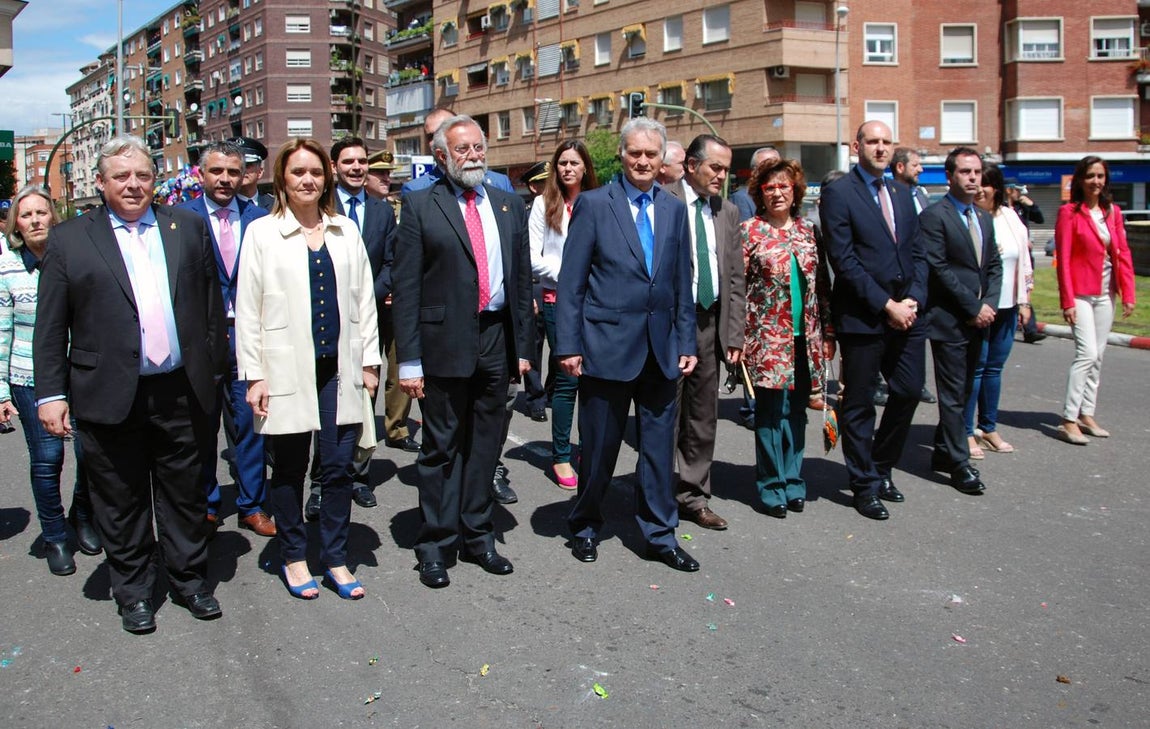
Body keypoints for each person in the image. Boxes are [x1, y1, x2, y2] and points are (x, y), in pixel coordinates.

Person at [34, 136, 227, 633]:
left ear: (154, 180)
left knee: (184, 495)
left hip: (181, 389)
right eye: (121, 176)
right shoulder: (71, 239)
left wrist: (216, 372)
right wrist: (51, 394)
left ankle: (188, 580)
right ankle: (135, 591)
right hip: (108, 391)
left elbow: (209, 309)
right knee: (121, 501)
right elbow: (51, 326)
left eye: (142, 175)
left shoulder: (186, 227)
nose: (133, 184)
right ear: (100, 183)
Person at [235, 138, 381, 601]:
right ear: (282, 179)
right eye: (298, 172)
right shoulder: (261, 232)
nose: (308, 180)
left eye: (315, 172)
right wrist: (254, 375)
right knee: (290, 470)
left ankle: (336, 557)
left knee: (338, 470)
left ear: (327, 177)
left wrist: (370, 363)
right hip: (285, 371)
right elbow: (249, 308)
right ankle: (294, 556)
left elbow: (365, 301)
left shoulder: (345, 231)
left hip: (340, 371)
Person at [393, 115, 534, 589]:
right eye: (463, 149)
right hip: (442, 343)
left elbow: (520, 283)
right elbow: (407, 289)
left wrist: (524, 348)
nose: (474, 155)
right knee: (440, 446)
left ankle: (478, 535)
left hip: (495, 339)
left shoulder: (508, 204)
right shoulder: (418, 206)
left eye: (478, 147)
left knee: (486, 444)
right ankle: (435, 543)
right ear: (441, 156)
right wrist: (409, 361)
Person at [556, 117, 700, 572]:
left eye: (651, 154)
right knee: (599, 450)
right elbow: (572, 283)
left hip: (661, 350)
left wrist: (686, 340)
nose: (642, 161)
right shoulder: (596, 205)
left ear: (662, 160)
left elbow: (682, 282)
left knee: (658, 451)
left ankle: (660, 534)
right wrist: (568, 346)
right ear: (621, 155)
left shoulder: (675, 209)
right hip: (606, 346)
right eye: (635, 153)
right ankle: (585, 524)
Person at [819, 121, 928, 521]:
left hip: (908, 313)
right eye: (873, 141)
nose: (881, 148)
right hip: (864, 316)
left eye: (887, 142)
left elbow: (918, 252)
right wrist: (887, 305)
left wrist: (914, 297)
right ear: (856, 146)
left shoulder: (903, 193)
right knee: (860, 403)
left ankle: (881, 467)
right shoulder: (838, 193)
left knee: (910, 390)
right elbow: (843, 259)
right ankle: (864, 484)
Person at [1, 186, 101, 576]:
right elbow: (2, 331)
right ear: (17, 225)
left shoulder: (73, 256)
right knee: (47, 459)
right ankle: (56, 535)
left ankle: (83, 516)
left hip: (79, 372)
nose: (35, 220)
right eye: (26, 216)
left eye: (42, 213)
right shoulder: (7, 266)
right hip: (30, 378)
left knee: (90, 455)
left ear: (53, 217)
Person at [178, 141, 273, 537]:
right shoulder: (179, 218)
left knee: (251, 424)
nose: (226, 179)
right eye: (217, 171)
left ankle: (252, 504)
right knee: (200, 426)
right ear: (202, 174)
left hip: (247, 336)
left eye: (233, 172)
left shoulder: (261, 218)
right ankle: (206, 503)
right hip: (200, 339)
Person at [301, 137, 398, 518]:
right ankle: (320, 481)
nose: (357, 168)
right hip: (326, 320)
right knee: (324, 404)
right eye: (349, 162)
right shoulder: (320, 207)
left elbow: (392, 262)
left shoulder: (382, 211)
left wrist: (369, 296)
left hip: (369, 317)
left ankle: (358, 475)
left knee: (363, 396)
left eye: (362, 162)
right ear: (334, 166)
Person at [742, 159, 833, 518]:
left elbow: (822, 287)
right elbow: (738, 288)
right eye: (769, 188)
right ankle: (770, 484)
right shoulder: (750, 231)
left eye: (784, 186)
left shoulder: (809, 231)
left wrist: (829, 332)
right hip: (766, 340)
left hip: (805, 337)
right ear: (760, 194)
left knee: (797, 413)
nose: (777, 193)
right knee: (769, 415)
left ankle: (794, 481)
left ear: (795, 191)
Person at [665, 134, 745, 529]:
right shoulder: (665, 202)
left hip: (710, 323)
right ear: (692, 165)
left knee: (702, 416)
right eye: (716, 167)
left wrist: (733, 335)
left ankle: (693, 496)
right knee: (666, 413)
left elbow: (734, 277)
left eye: (727, 170)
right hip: (670, 326)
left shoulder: (726, 212)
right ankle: (657, 493)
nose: (721, 176)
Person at [920, 146, 1002, 495]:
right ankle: (959, 463)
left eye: (977, 172)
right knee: (953, 394)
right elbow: (938, 270)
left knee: (967, 388)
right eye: (965, 172)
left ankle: (942, 449)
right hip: (950, 320)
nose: (973, 178)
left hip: (979, 318)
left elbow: (994, 265)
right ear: (950, 176)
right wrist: (972, 307)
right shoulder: (934, 216)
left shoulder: (982, 217)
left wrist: (989, 305)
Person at [529, 141, 598, 490]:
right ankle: (560, 455)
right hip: (558, 299)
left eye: (575, 163)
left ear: (586, 167)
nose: (568, 169)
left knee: (594, 381)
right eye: (562, 163)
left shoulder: (599, 202)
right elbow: (532, 257)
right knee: (568, 378)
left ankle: (588, 448)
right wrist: (570, 271)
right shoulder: (544, 204)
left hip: (596, 302)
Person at [1053, 156, 1137, 445]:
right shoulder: (1069, 213)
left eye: (1100, 176)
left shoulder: (1111, 213)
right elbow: (1062, 259)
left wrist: (1128, 293)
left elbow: (1122, 253)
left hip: (1105, 293)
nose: (1096, 182)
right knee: (1086, 353)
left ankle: (1086, 413)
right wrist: (1067, 301)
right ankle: (1068, 418)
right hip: (1080, 294)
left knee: (1098, 356)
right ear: (1080, 179)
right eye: (1090, 176)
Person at [964, 164, 1033, 458]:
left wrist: (1025, 300)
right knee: (975, 369)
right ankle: (966, 432)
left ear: (997, 188)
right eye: (977, 180)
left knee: (994, 368)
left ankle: (988, 427)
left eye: (987, 183)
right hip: (978, 307)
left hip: (1007, 304)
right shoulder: (968, 217)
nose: (980, 188)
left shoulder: (1010, 218)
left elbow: (1024, 259)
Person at [888, 146, 937, 405]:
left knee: (910, 379)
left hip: (916, 288)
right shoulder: (886, 195)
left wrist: (915, 295)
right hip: (888, 294)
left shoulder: (920, 195)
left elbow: (921, 246)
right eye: (916, 164)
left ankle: (917, 384)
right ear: (900, 167)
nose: (921, 169)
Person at [401, 108, 516, 196]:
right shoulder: (417, 190)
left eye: (443, 130)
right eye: (431, 136)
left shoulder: (499, 183)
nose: (437, 140)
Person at [1007, 179, 1047, 344]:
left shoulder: (1022, 208)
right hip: (1008, 256)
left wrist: (1031, 205)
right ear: (1009, 190)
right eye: (1017, 190)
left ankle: (1029, 329)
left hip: (1025, 257)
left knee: (1024, 290)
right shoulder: (999, 207)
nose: (1020, 193)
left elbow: (1040, 219)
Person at [732, 147, 780, 223]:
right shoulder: (743, 198)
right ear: (754, 171)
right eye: (765, 166)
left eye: (777, 166)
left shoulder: (785, 195)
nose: (772, 171)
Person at [228, 136, 275, 210]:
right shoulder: (223, 205)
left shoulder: (275, 205)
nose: (242, 170)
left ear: (260, 172)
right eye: (236, 166)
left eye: (247, 165)